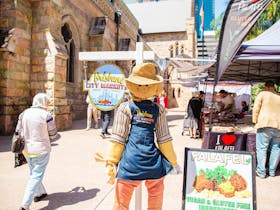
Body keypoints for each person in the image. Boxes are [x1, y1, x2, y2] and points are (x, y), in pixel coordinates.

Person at [100, 62, 180, 210]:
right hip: (153, 164)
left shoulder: (125, 108)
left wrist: (111, 161)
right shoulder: (158, 110)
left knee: (120, 204)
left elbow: (118, 137)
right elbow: (164, 139)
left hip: (131, 164)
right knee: (156, 201)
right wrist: (173, 162)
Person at [18, 93, 58, 210]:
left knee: (34, 172)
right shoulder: (46, 115)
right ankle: (25, 205)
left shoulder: (23, 113)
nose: (48, 104)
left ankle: (39, 193)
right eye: (47, 102)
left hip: (26, 149)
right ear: (43, 102)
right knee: (36, 176)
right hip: (41, 150)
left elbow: (18, 131)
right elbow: (53, 134)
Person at [253, 81, 280, 178]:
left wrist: (255, 121)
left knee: (262, 148)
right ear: (273, 87)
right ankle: (272, 171)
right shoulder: (279, 96)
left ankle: (261, 172)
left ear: (266, 87)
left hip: (265, 124)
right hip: (278, 126)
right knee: (276, 148)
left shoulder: (262, 94)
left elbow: (256, 108)